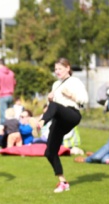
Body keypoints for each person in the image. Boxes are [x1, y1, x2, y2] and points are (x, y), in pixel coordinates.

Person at [38, 57, 88, 193]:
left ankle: (41, 123)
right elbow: (52, 108)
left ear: (68, 68)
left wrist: (71, 95)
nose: (57, 71)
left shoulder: (75, 82)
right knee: (49, 152)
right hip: (58, 119)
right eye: (55, 69)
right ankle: (63, 182)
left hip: (72, 115)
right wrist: (49, 100)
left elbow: (84, 100)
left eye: (60, 68)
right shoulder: (55, 84)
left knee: (55, 106)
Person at [0, 58, 16, 125]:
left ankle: (3, 132)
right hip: (10, 95)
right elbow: (14, 83)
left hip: (2, 95)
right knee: (11, 115)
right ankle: (12, 128)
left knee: (3, 116)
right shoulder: (11, 72)